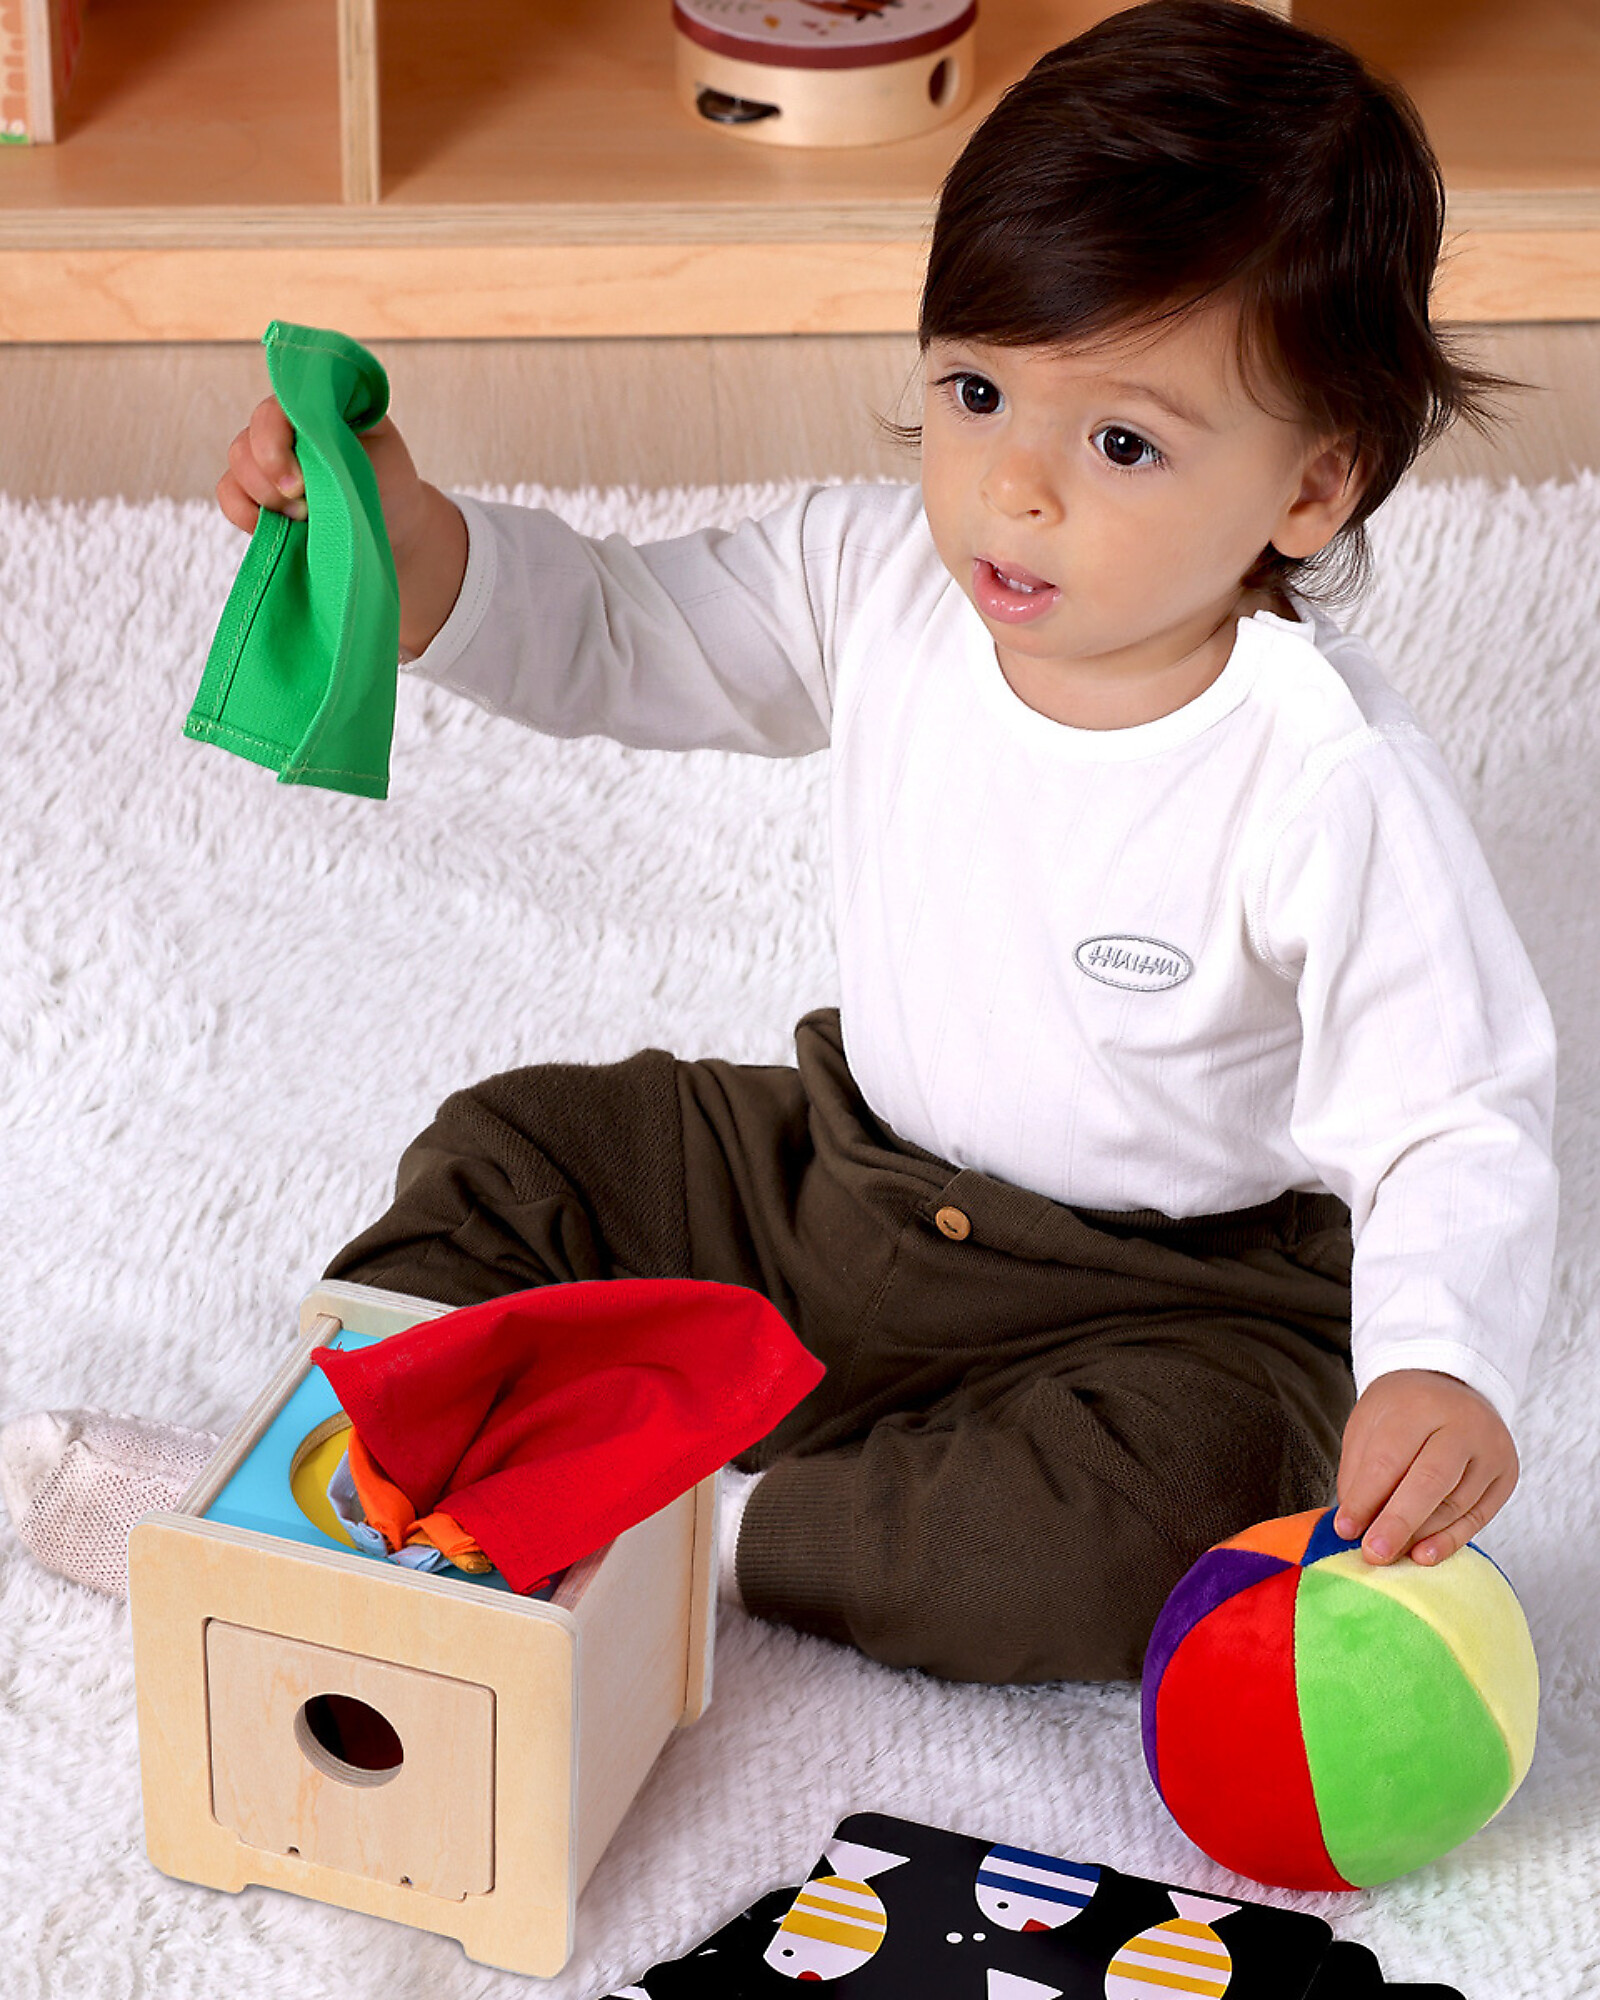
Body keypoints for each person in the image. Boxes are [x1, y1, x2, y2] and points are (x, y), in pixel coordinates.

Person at [3, 0, 1555, 1683]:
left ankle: (680, 1539)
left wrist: (1439, 1362)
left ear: (1311, 491)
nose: (1012, 488)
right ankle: (342, 1458)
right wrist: (413, 537)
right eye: (975, 391)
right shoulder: (876, 578)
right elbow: (614, 630)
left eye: (1121, 443)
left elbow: (1450, 1116)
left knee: (1156, 1514)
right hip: (842, 1181)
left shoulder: (1326, 777)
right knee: (525, 1146)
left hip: (1167, 1299)